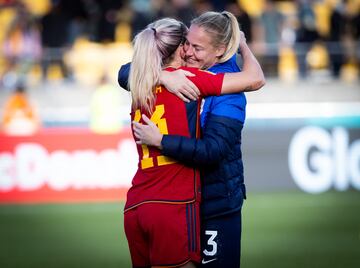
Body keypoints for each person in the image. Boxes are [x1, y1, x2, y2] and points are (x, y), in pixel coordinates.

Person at [120, 11, 264, 268]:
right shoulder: (181, 76)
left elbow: (214, 149)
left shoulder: (228, 91)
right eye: (186, 44)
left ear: (220, 50)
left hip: (215, 205)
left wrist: (162, 140)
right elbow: (124, 72)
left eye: (197, 47)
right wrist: (163, 75)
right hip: (182, 204)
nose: (188, 52)